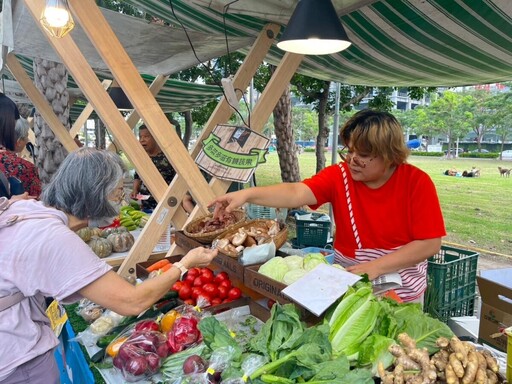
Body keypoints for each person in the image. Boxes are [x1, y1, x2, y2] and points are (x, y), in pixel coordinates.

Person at [0, 148, 217, 383]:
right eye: (116, 193)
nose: (121, 201)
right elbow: (133, 301)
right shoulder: (54, 237)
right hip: (17, 358)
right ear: (95, 194)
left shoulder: (27, 210)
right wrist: (185, 263)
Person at [212, 109, 446, 303]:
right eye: (350, 150)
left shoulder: (416, 182)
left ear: (388, 154)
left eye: (363, 154)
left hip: (402, 291)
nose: (352, 159)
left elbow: (430, 243)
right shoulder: (340, 176)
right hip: (349, 285)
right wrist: (247, 194)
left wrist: (376, 267)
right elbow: (296, 192)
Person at [130, 125, 193, 213]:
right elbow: (137, 177)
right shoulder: (142, 158)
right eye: (140, 137)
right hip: (146, 207)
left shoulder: (169, 158)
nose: (142, 140)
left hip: (167, 206)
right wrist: (135, 190)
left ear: (155, 138)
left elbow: (180, 181)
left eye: (146, 136)